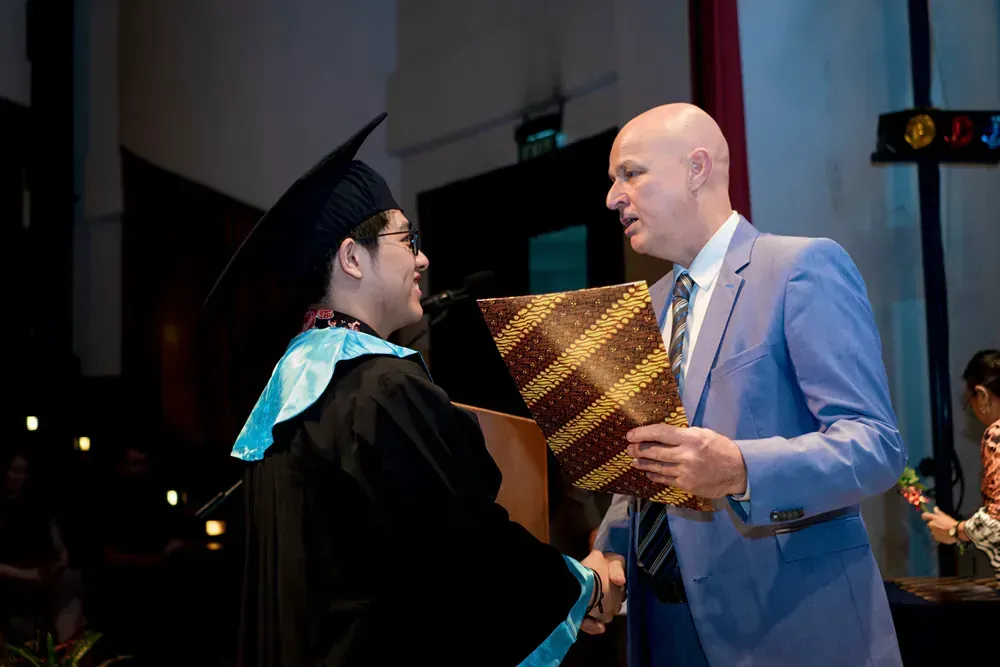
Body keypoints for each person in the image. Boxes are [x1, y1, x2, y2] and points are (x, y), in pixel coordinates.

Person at [203, 113, 624, 666]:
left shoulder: (285, 402)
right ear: (353, 258)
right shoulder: (381, 390)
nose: (423, 258)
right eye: (408, 240)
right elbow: (467, 555)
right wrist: (585, 586)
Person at [591, 103, 907, 666]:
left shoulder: (800, 268)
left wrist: (741, 468)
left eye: (630, 174)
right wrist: (608, 551)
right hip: (660, 624)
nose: (613, 197)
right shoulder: (647, 306)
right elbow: (649, 461)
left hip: (787, 624)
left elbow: (874, 446)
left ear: (696, 168)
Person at [922, 349, 1000, 580]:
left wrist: (956, 530)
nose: (974, 412)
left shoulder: (996, 435)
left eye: (971, 402)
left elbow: (997, 523)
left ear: (982, 396)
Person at [0, 448, 85, 643]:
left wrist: (57, 562)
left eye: (23, 471)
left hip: (41, 575)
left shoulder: (34, 506)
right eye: (14, 470)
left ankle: (66, 657)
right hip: (10, 579)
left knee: (71, 583)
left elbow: (57, 546)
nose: (19, 477)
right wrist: (25, 574)